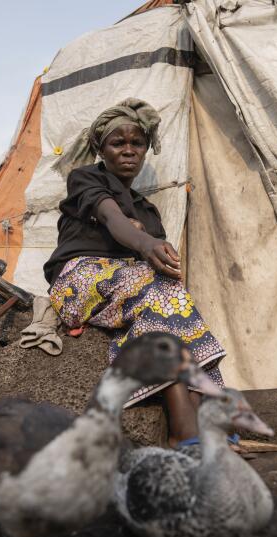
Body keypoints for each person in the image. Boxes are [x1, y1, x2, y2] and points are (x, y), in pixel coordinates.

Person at [44, 98, 226, 448]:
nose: (128, 151)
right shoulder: (85, 180)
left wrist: (157, 253)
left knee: (174, 298)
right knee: (159, 292)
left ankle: (206, 422)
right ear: (99, 148)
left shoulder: (147, 209)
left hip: (130, 288)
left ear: (146, 149)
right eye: (118, 143)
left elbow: (152, 259)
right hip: (78, 280)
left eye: (137, 143)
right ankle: (184, 428)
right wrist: (144, 243)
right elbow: (112, 219)